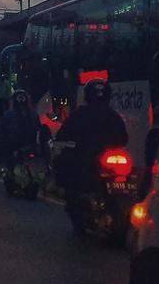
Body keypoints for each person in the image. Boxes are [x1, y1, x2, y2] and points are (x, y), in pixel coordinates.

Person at [54, 78, 128, 211]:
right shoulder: (113, 116)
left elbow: (63, 134)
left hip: (91, 159)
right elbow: (124, 138)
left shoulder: (79, 115)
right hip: (95, 160)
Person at [0, 89, 42, 171]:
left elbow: (3, 134)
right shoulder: (34, 114)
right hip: (26, 148)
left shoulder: (8, 115)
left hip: (19, 148)